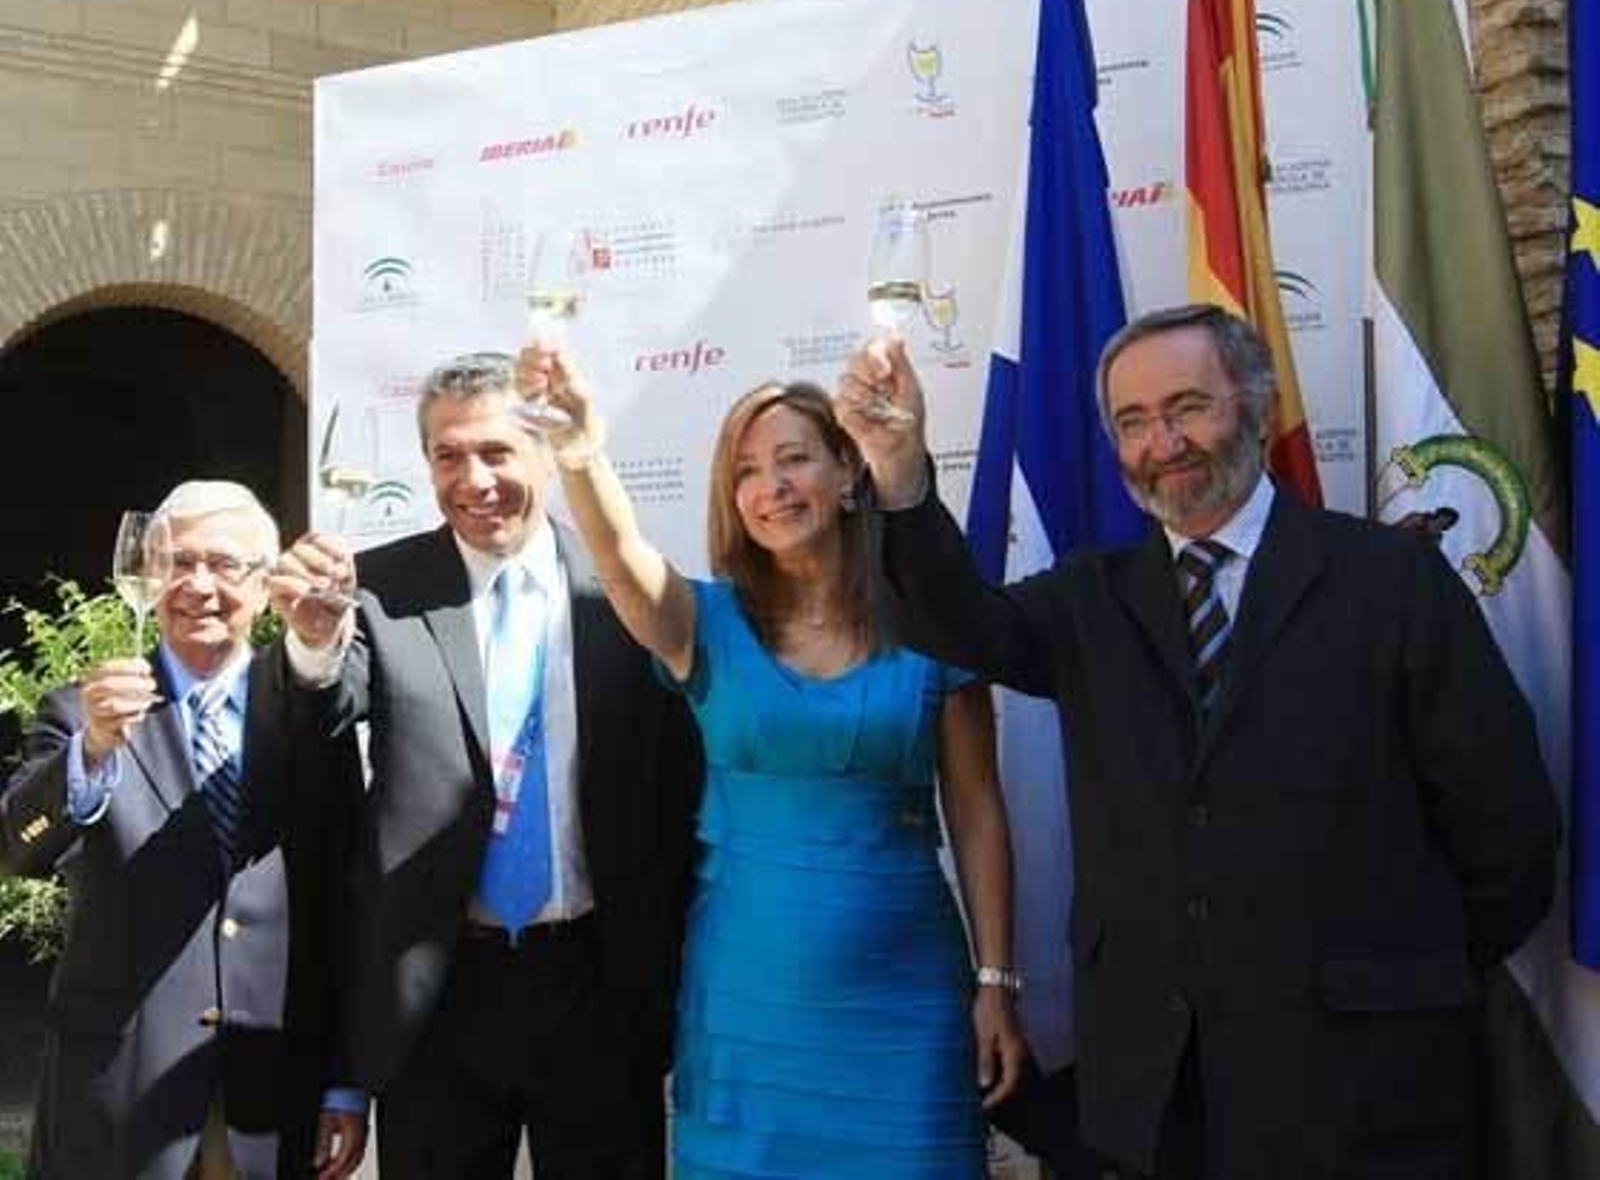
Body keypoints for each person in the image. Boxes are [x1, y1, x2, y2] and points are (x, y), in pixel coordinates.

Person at [836, 304, 1561, 1180]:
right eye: (1134, 422)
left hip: (1368, 1092)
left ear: (1254, 404)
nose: (1164, 442)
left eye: (1188, 406)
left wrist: (1396, 974)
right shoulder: (1088, 601)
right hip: (1164, 1102)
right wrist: (902, 474)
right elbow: (959, 626)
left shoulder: (1392, 582)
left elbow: (1506, 826)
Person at [516, 341, 1028, 1179]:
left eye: (794, 459)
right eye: (746, 472)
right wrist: (579, 451)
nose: (770, 487)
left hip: (907, 1001)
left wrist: (997, 979)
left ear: (850, 472)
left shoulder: (936, 623)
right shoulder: (701, 624)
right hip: (745, 1006)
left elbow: (976, 809)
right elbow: (617, 557)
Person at [268, 352, 702, 1180]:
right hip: (436, 996)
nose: (475, 479)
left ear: (543, 447)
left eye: (498, 451)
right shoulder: (378, 592)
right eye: (448, 455)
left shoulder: (626, 593)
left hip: (598, 986)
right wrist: (314, 643)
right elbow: (316, 733)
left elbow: (677, 794)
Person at [0, 481, 367, 1180]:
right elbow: (17, 848)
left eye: (225, 565)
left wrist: (345, 1081)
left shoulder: (311, 718)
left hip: (271, 1089)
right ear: (147, 579)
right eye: (178, 562)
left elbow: (342, 906)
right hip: (118, 1095)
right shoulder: (85, 712)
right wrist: (93, 754)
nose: (198, 585)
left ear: (266, 590)